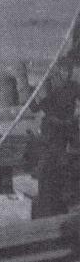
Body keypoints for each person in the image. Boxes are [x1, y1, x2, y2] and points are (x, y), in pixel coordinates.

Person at [29, 60, 80, 218]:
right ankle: (51, 201)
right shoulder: (49, 85)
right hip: (52, 129)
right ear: (58, 71)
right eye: (65, 71)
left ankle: (65, 197)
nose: (68, 74)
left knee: (69, 161)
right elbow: (35, 107)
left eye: (69, 71)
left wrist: (76, 115)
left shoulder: (74, 86)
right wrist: (33, 94)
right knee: (52, 162)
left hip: (69, 127)